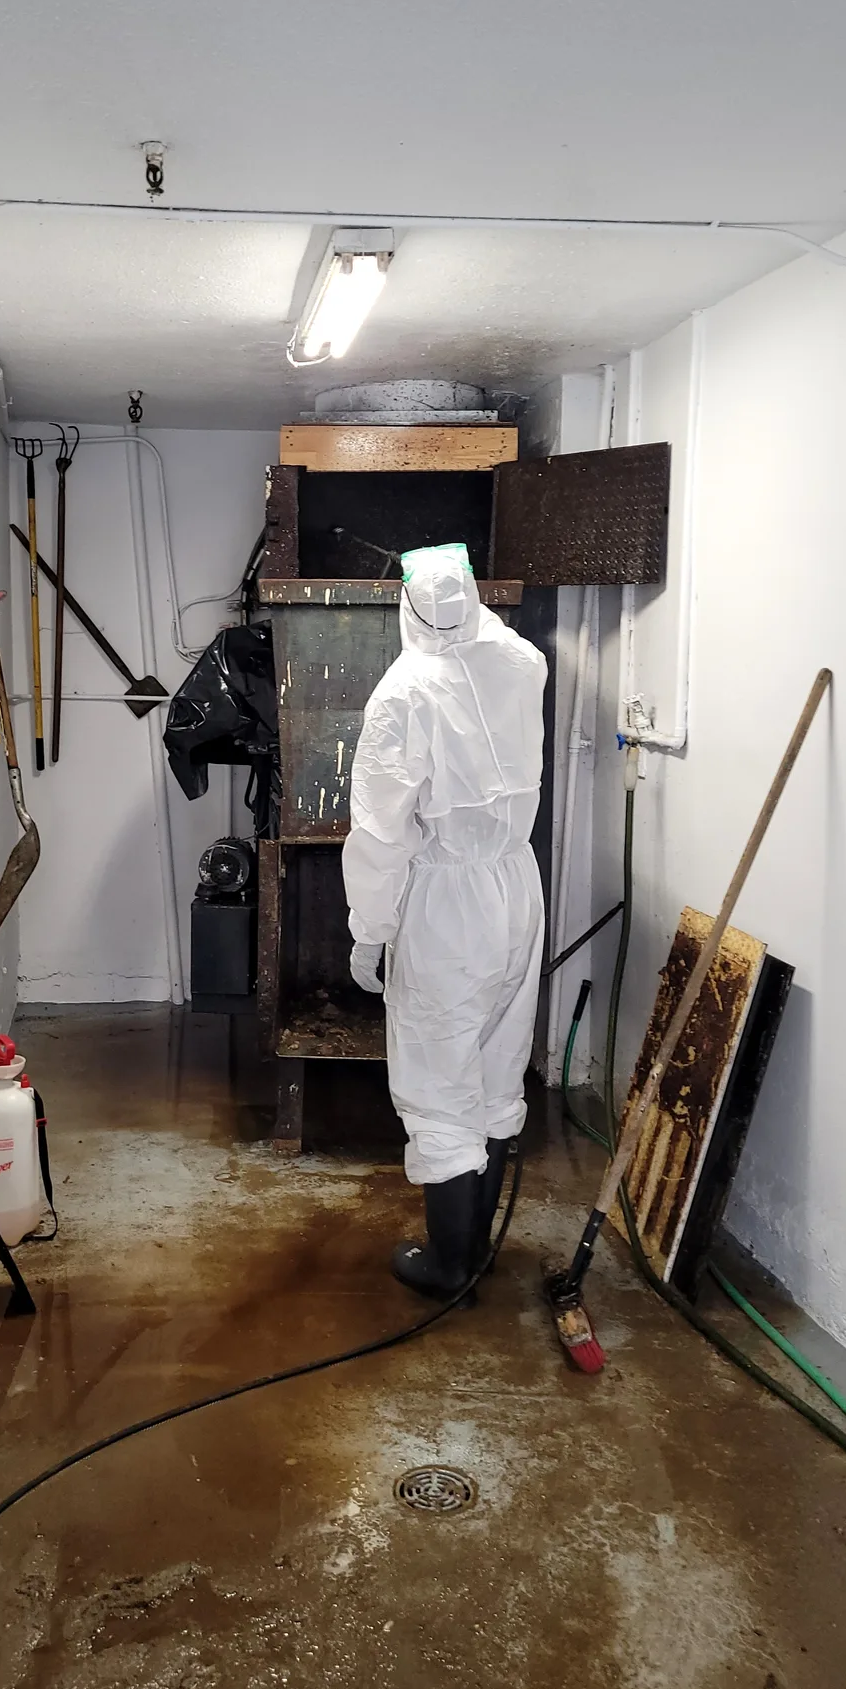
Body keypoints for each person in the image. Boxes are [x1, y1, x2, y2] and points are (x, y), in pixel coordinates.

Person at [342, 543, 547, 1297]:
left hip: (447, 902)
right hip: (516, 886)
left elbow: (382, 831)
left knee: (438, 1072)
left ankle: (452, 1263)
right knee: (496, 1061)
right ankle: (479, 1246)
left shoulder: (402, 694)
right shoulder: (523, 661)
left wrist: (370, 927)